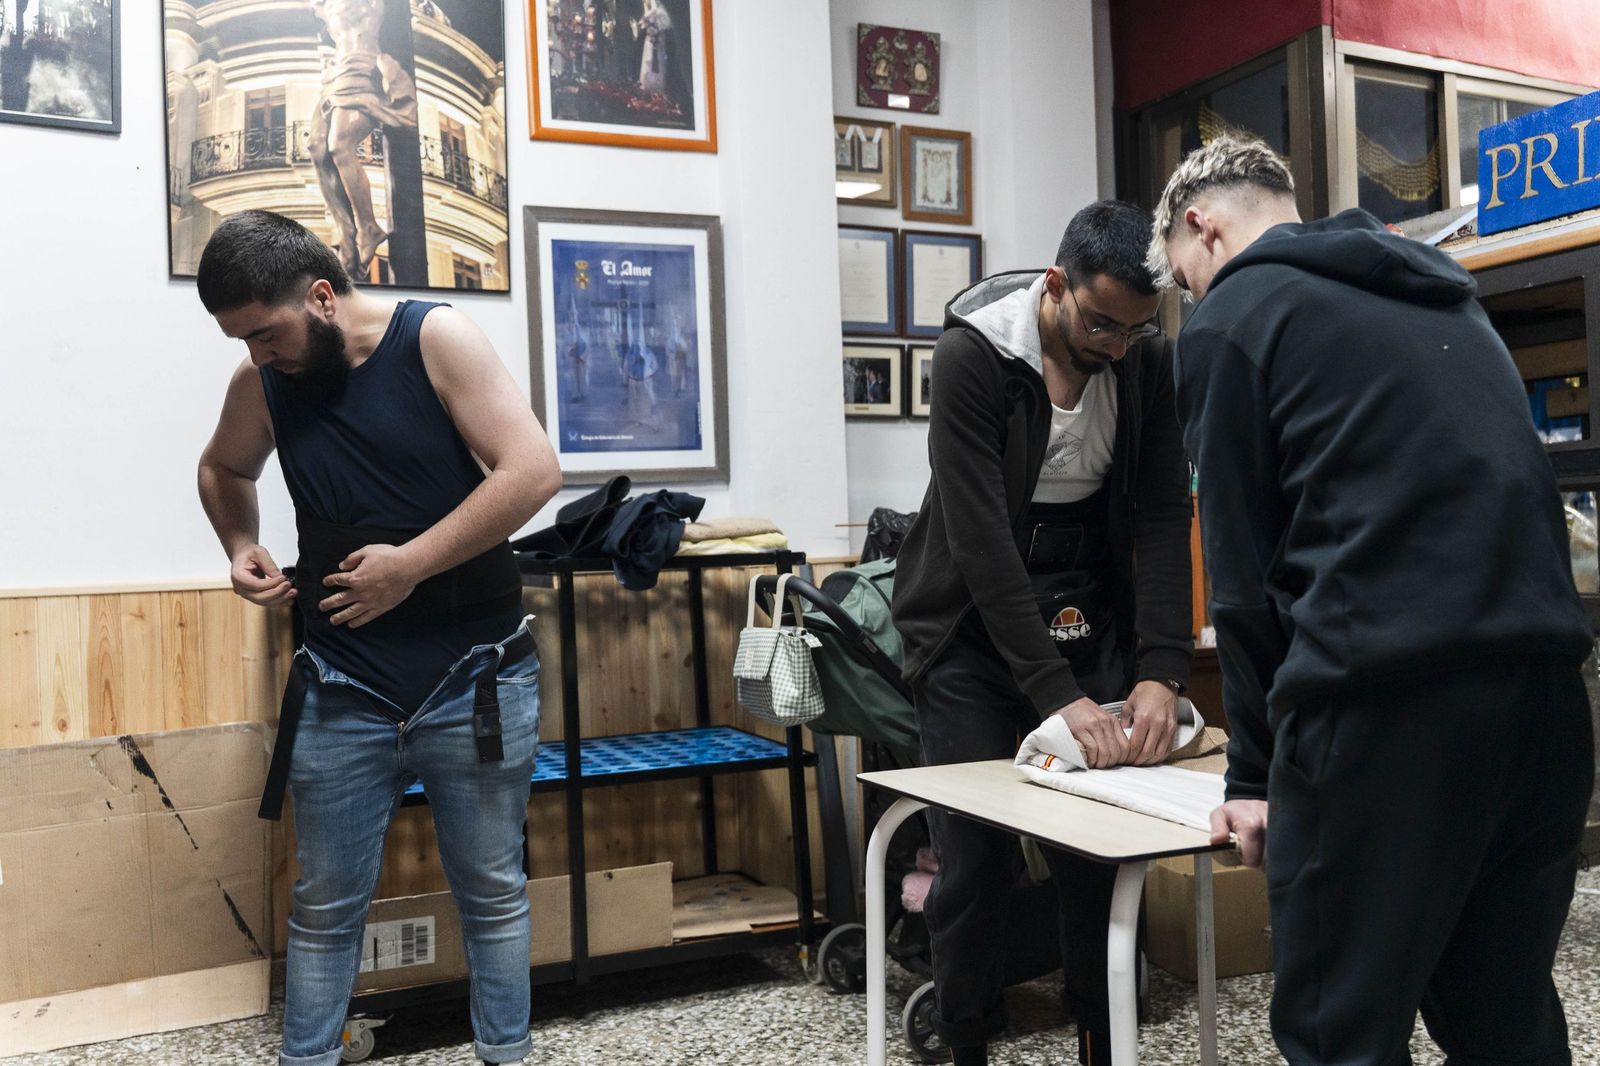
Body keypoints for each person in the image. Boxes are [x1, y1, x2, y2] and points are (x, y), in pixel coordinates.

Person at [1148, 135, 1595, 1065]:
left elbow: (1242, 574)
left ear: (1201, 225)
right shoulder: (1444, 296)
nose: (1193, 299)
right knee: (1500, 1012)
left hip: (1387, 714)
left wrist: (1254, 777)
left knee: (1337, 1031)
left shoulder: (1236, 317)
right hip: (1547, 700)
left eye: (1185, 280)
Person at [194, 210, 562, 1066]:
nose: (256, 355)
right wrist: (240, 544)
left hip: (475, 675)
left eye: (265, 333)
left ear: (321, 296)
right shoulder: (262, 385)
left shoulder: (438, 337)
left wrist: (411, 566)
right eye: (240, 340)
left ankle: (506, 1058)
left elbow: (534, 470)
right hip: (340, 682)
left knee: (493, 893)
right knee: (324, 908)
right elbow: (222, 469)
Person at [892, 201, 1195, 1066]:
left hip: (1086, 610)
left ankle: (1103, 1038)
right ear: (1055, 284)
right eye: (1100, 322)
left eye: (1135, 330)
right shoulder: (972, 356)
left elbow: (1163, 518)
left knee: (1095, 855)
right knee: (976, 860)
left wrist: (1161, 670)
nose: (1115, 345)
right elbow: (982, 544)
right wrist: (1058, 699)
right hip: (968, 632)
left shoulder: (1144, 363)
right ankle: (963, 1040)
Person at [308, 0, 418, 278]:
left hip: (362, 67)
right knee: (317, 147)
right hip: (334, 75)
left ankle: (369, 227)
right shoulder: (324, 5)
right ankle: (347, 235)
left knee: (340, 144)